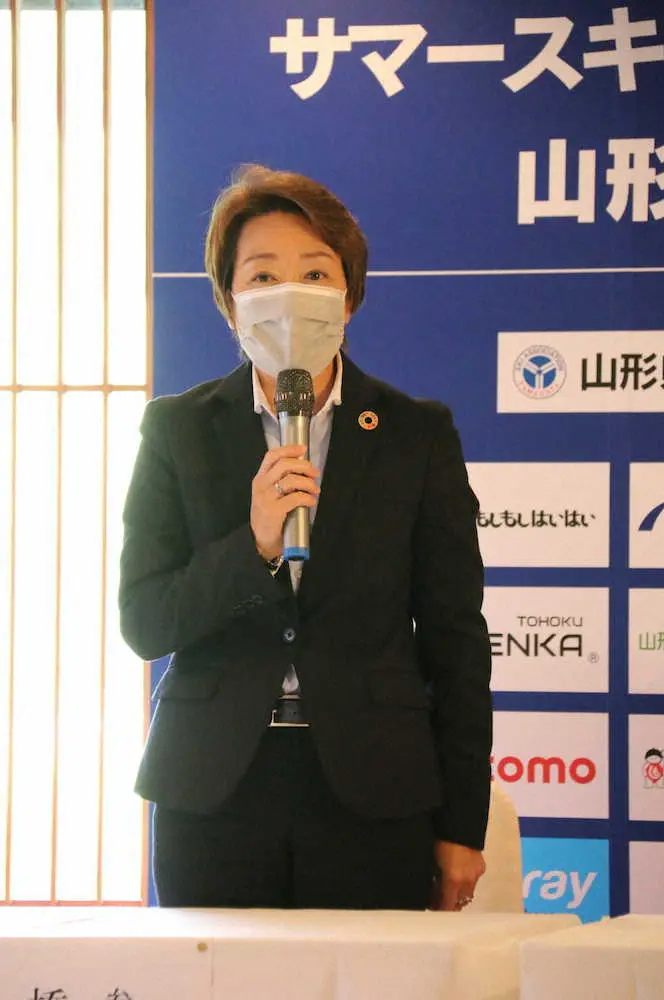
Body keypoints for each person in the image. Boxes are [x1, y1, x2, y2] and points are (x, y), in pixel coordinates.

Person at [119, 165, 492, 911]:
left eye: (315, 272)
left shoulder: (415, 434)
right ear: (229, 301)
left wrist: (462, 824)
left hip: (375, 786)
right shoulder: (178, 429)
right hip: (213, 788)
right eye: (262, 275)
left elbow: (455, 638)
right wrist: (252, 545)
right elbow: (147, 621)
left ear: (349, 296)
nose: (289, 293)